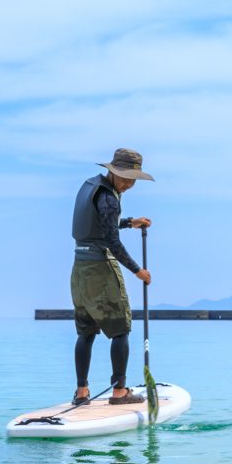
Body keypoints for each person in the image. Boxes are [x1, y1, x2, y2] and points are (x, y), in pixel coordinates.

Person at [70, 148, 153, 406]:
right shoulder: (109, 198)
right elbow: (111, 242)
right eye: (125, 178)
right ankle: (120, 392)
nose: (129, 184)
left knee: (86, 332)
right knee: (121, 330)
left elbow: (100, 224)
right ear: (113, 171)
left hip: (79, 272)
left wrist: (130, 222)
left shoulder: (89, 187)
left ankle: (81, 393)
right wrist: (138, 270)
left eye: (133, 180)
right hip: (100, 269)